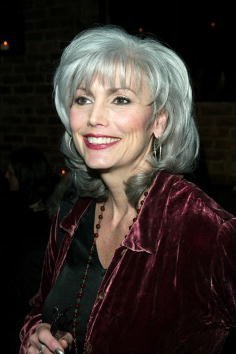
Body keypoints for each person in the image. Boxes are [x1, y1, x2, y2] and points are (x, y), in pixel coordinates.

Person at [19, 25, 236, 354]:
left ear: (159, 122)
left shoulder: (203, 228)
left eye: (120, 99)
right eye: (83, 99)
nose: (95, 117)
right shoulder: (72, 213)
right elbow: (40, 307)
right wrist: (36, 334)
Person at [2, 146, 59, 353]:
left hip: (21, 316)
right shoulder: (19, 209)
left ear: (24, 173)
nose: (6, 175)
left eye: (11, 170)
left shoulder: (36, 219)